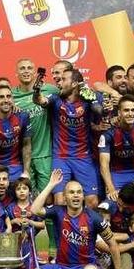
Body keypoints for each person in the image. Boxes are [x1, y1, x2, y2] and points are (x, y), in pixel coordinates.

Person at [31, 170, 126, 269]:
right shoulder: (58, 212)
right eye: (71, 192)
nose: (76, 195)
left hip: (84, 268)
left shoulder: (94, 217)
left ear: (83, 196)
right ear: (65, 197)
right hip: (61, 268)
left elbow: (112, 244)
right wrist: (51, 185)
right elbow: (34, 209)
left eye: (79, 192)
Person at [33, 67, 104, 208]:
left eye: (63, 79)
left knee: (92, 202)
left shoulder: (88, 100)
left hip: (83, 157)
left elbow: (99, 111)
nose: (59, 83)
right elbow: (39, 101)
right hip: (61, 158)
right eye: (58, 79)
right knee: (59, 201)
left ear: (74, 84)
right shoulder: (56, 100)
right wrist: (36, 90)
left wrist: (91, 99)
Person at [11, 58, 59, 194]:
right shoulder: (11, 96)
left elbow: (71, 93)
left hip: (45, 154)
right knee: (27, 196)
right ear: (16, 73)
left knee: (47, 196)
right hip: (23, 156)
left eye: (29, 68)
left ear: (34, 72)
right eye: (22, 68)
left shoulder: (50, 90)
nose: (26, 71)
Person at [98, 95, 134, 208]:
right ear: (119, 112)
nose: (130, 113)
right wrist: (111, 188)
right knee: (114, 205)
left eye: (133, 110)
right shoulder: (108, 134)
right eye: (126, 110)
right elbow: (104, 164)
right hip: (117, 174)